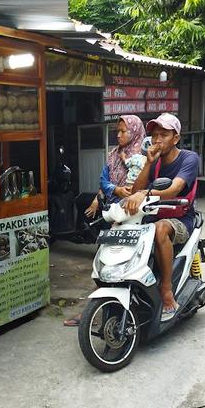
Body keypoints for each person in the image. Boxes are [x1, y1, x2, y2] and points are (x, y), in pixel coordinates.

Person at [64, 114, 146, 326]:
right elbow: (103, 180)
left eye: (123, 131)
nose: (118, 135)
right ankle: (94, 310)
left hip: (140, 219)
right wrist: (116, 189)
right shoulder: (112, 155)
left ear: (135, 131)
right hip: (115, 216)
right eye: (117, 131)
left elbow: (150, 185)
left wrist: (137, 193)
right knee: (103, 264)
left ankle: (135, 309)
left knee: (133, 265)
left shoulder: (146, 156)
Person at [125, 113, 199, 321]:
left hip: (180, 219)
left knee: (160, 229)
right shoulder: (154, 162)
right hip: (152, 216)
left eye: (164, 135)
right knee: (118, 230)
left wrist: (145, 194)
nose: (157, 139)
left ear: (175, 138)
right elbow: (135, 192)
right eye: (155, 135)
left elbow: (174, 189)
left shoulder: (189, 158)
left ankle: (166, 289)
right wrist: (148, 164)